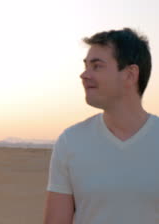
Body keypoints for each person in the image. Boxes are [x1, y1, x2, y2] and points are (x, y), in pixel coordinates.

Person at [44, 28, 159, 224]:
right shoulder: (71, 141)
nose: (84, 75)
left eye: (96, 66)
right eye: (86, 66)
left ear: (130, 75)